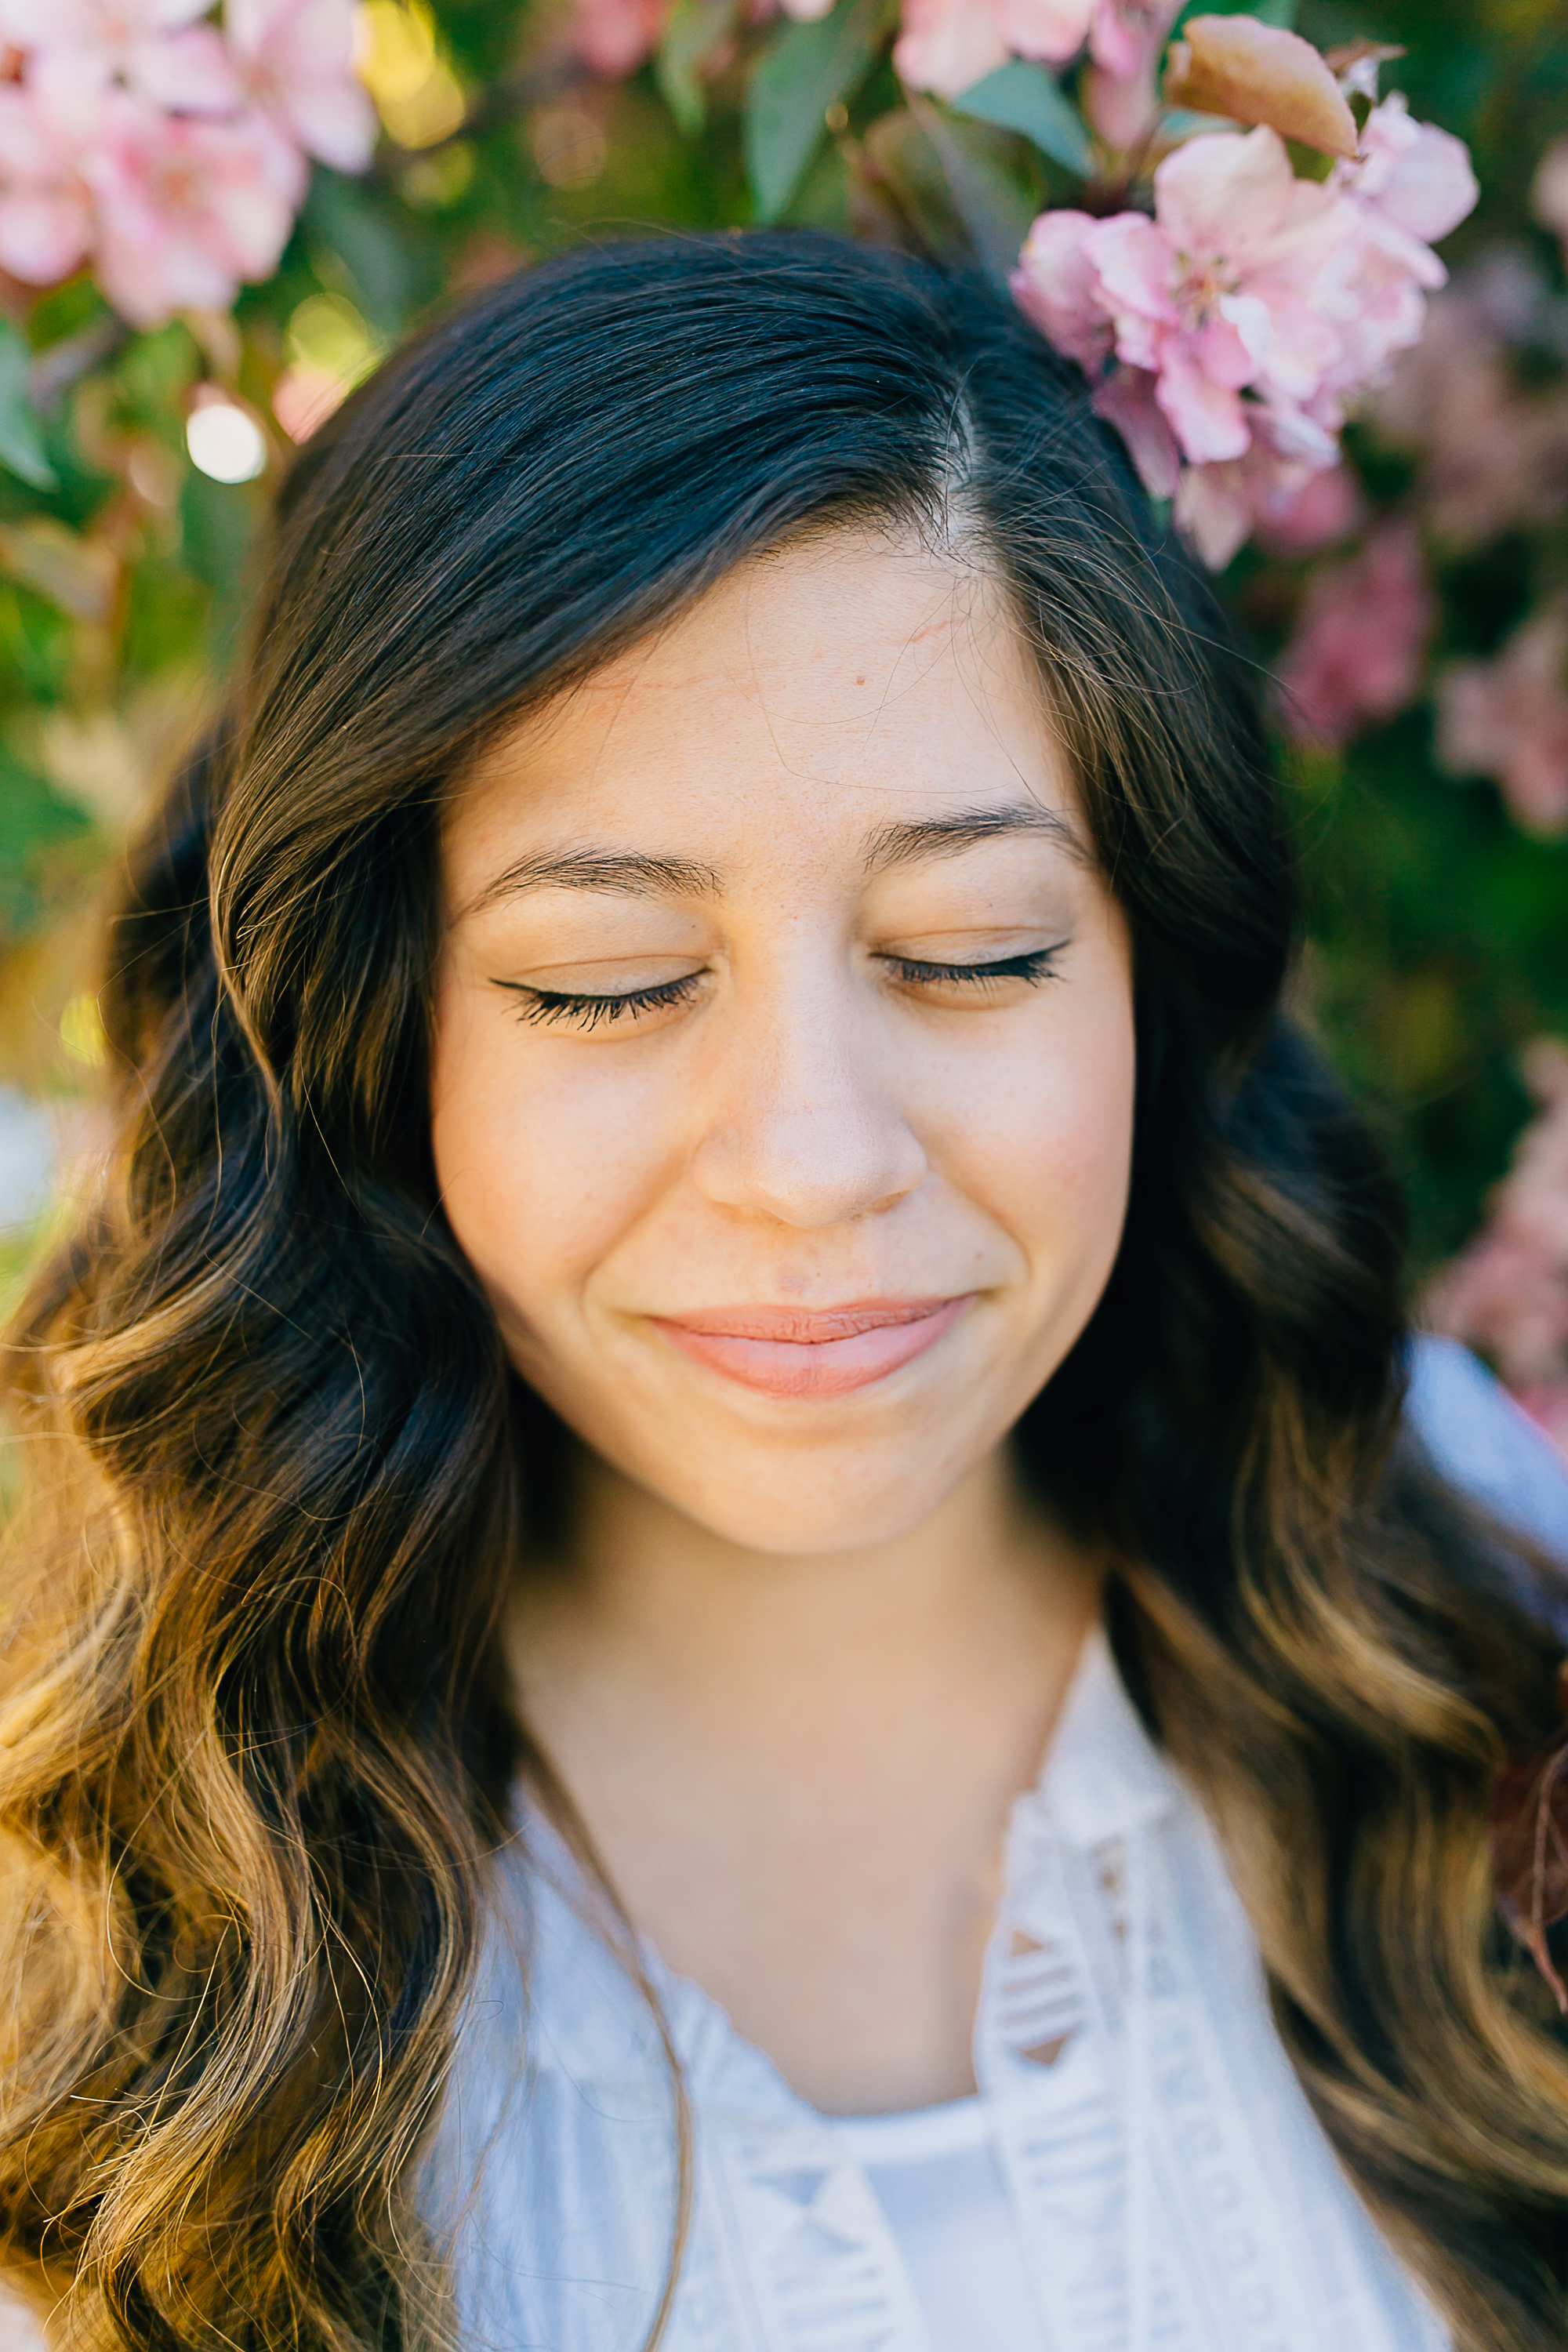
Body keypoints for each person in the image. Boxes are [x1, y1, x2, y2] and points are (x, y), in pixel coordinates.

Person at [2, 231, 1566, 2352]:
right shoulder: (90, 1917)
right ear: (383, 1030)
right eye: (608, 985)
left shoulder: (1484, 1601)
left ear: (1147, 969)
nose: (818, 1162)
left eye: (971, 952)